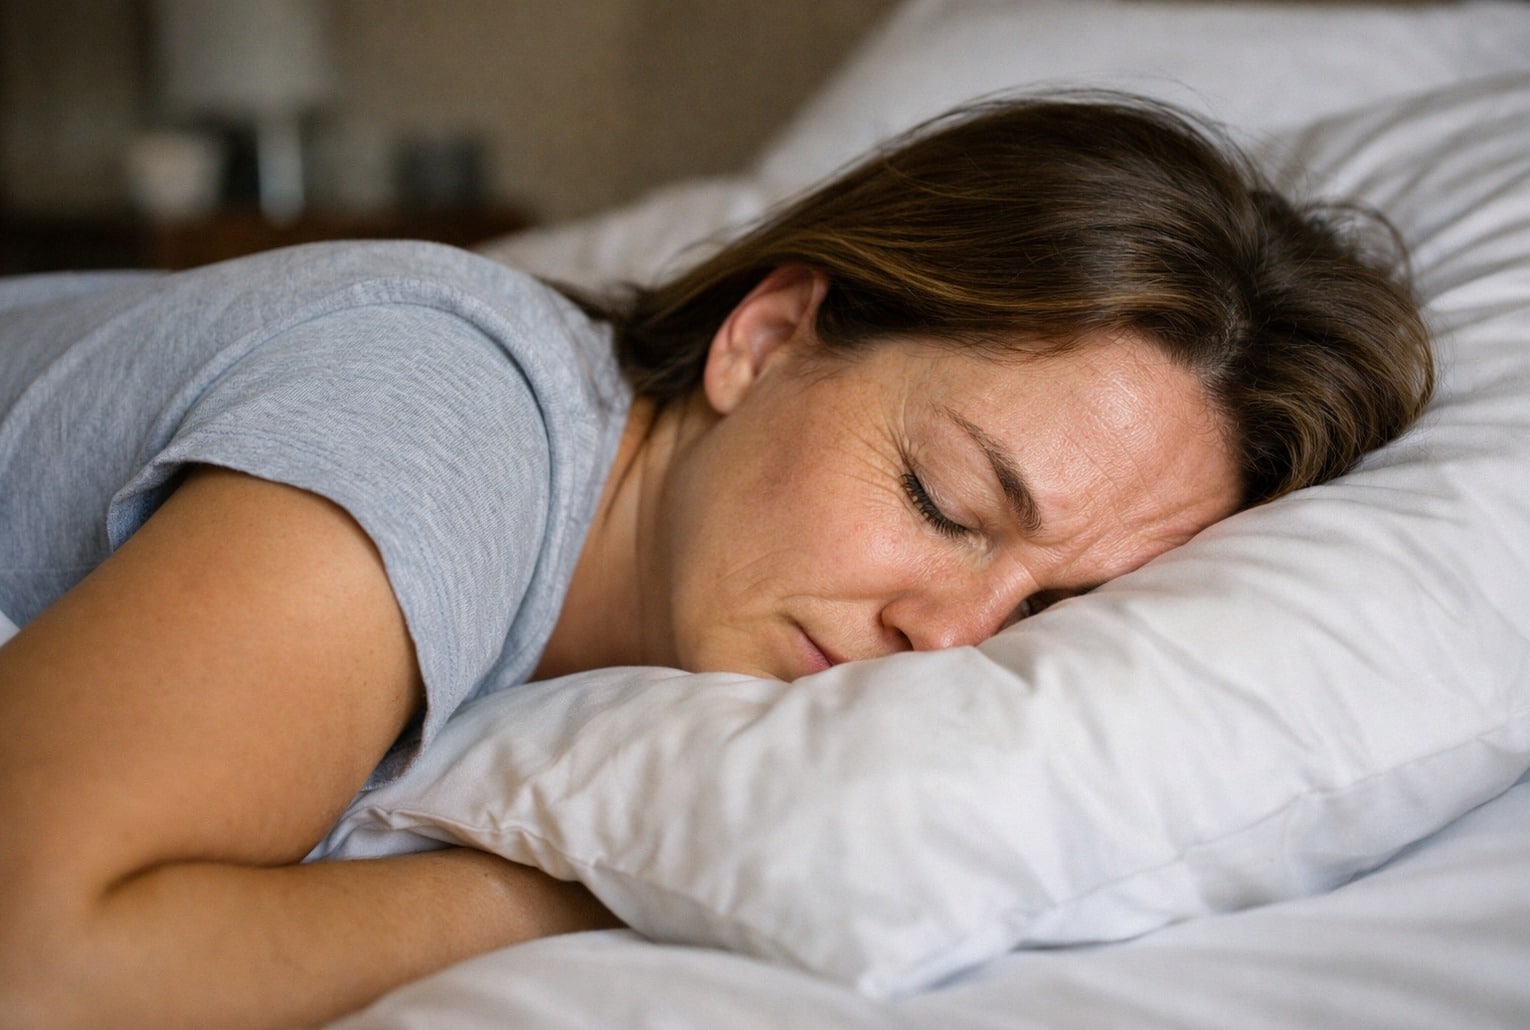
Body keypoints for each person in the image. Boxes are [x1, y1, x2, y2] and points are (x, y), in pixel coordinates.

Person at [0, 93, 1431, 1025]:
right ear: (763, 337)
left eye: (1053, 607)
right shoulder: (444, 416)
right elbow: (41, 961)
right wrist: (586, 883)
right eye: (942, 500)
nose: (948, 635)